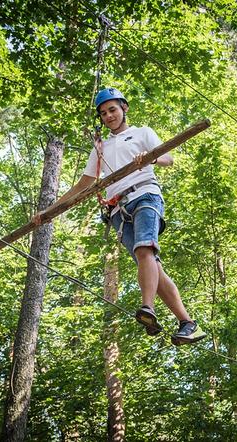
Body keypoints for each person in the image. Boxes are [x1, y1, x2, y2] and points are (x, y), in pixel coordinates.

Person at [35, 87, 206, 345]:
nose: (108, 116)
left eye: (112, 109)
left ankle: (147, 308)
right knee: (151, 267)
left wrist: (150, 159)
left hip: (145, 194)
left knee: (144, 250)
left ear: (124, 108)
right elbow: (83, 184)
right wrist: (49, 211)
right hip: (118, 210)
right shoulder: (101, 148)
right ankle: (188, 323)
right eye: (103, 113)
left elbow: (168, 158)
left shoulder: (142, 133)